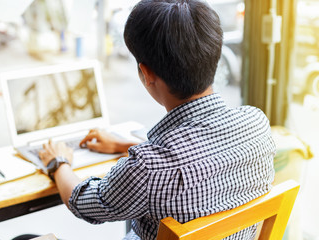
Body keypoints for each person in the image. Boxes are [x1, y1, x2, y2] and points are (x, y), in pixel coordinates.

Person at [39, 0, 275, 239]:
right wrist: (126, 146)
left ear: (147, 73)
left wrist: (59, 162)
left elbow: (84, 202)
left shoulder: (148, 167)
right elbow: (200, 156)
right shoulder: (257, 124)